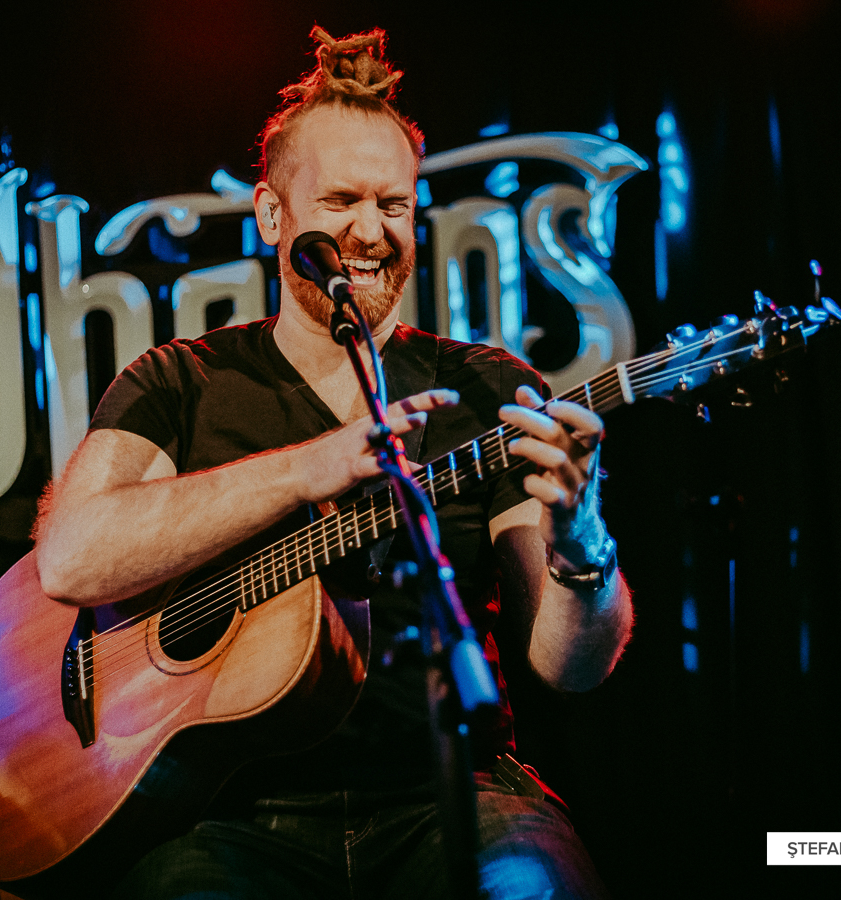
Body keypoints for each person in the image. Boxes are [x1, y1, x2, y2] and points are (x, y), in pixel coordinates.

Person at [35, 26, 632, 900]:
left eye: (393, 204)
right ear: (273, 214)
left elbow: (566, 669)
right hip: (226, 811)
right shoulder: (178, 381)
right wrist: (307, 468)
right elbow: (71, 558)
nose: (368, 230)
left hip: (451, 793)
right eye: (341, 200)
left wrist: (582, 544)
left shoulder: (488, 388)